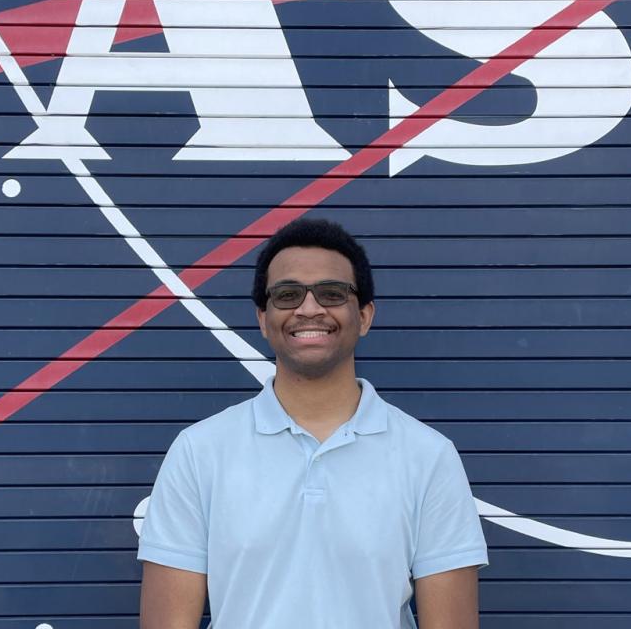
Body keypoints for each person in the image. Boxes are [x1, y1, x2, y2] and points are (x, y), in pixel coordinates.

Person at [137, 217, 488, 628]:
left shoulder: (428, 456)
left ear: (365, 315)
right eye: (287, 295)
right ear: (263, 319)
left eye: (331, 293)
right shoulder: (199, 452)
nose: (309, 308)